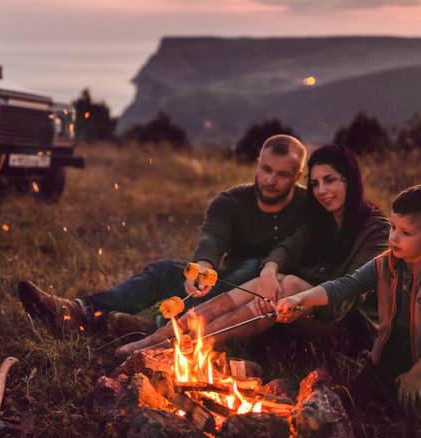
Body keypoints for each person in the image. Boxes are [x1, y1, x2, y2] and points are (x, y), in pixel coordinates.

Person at [115, 144, 390, 357]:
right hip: (302, 309)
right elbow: (287, 248)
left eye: (330, 180)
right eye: (316, 183)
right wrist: (270, 272)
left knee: (289, 284)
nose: (321, 191)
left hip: (348, 327)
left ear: (350, 180)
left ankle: (181, 346)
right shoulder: (321, 219)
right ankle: (156, 340)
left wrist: (299, 300)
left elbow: (349, 292)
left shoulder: (375, 229)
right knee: (271, 283)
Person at [18, 134, 309, 334]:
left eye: (283, 175)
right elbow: (212, 239)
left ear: (297, 177)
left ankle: (155, 326)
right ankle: (78, 310)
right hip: (226, 285)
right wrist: (202, 268)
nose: (270, 180)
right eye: (266, 169)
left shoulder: (309, 207)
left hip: (271, 305)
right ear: (258, 164)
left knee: (254, 268)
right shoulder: (231, 201)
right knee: (164, 270)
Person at [275, 184, 421, 411]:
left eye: (405, 233)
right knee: (358, 405)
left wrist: (417, 374)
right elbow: (346, 285)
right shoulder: (384, 263)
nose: (394, 238)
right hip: (388, 357)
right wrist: (301, 298)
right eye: (392, 228)